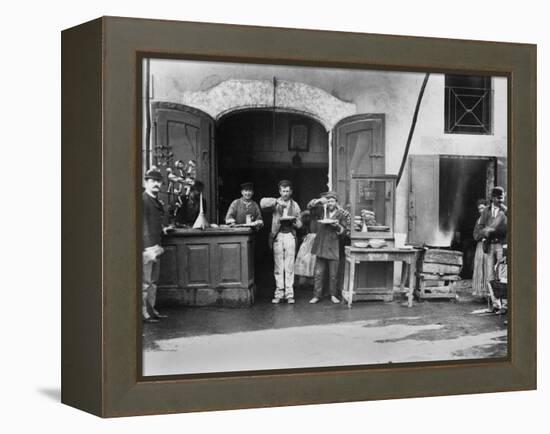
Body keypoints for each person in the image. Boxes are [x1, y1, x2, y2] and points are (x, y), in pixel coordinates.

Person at [260, 180, 302, 304]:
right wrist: (276, 201)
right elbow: (262, 203)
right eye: (283, 191)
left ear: (291, 192)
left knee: (289, 266)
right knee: (278, 266)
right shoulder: (275, 204)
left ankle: (289, 294)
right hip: (278, 236)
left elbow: (300, 224)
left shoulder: (295, 205)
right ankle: (279, 293)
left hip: (290, 235)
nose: (285, 193)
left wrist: (294, 221)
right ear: (279, 191)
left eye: (287, 191)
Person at [308, 192, 350, 304]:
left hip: (334, 246)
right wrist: (317, 201)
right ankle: (317, 295)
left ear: (336, 203)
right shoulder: (321, 211)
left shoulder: (341, 214)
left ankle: (333, 295)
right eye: (328, 201)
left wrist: (338, 226)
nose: (330, 203)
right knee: (318, 273)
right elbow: (309, 207)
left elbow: (344, 231)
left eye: (332, 201)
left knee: (333, 274)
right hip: (321, 245)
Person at [142, 168, 173, 323]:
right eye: (152, 181)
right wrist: (148, 247)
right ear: (145, 183)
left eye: (158, 181)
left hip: (156, 245)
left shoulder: (155, 201)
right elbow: (141, 225)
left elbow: (154, 222)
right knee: (145, 283)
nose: (156, 184)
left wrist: (163, 228)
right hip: (147, 248)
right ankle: (144, 314)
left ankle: (151, 311)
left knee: (153, 282)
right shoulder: (143, 199)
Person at [477, 186, 507, 310]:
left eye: (502, 197)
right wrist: (484, 236)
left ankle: (504, 303)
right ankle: (495, 303)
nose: (501, 200)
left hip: (501, 246)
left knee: (502, 275)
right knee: (490, 274)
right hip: (489, 246)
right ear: (493, 198)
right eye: (499, 198)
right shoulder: (485, 212)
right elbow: (480, 227)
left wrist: (506, 245)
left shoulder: (506, 211)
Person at [472, 198, 489, 298]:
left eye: (482, 208)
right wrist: (481, 236)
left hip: (488, 246)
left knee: (487, 268)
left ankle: (488, 294)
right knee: (479, 267)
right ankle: (480, 294)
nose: (481, 210)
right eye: (479, 209)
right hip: (480, 246)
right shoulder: (478, 221)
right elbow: (475, 235)